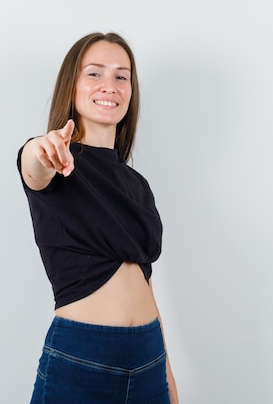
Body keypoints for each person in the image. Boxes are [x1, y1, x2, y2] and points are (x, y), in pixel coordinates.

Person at [17, 32, 179, 404]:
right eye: (95, 73)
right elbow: (33, 167)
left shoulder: (137, 185)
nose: (110, 85)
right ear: (71, 86)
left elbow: (144, 279)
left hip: (148, 356)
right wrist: (40, 149)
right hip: (84, 356)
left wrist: (167, 378)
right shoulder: (55, 161)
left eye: (122, 76)